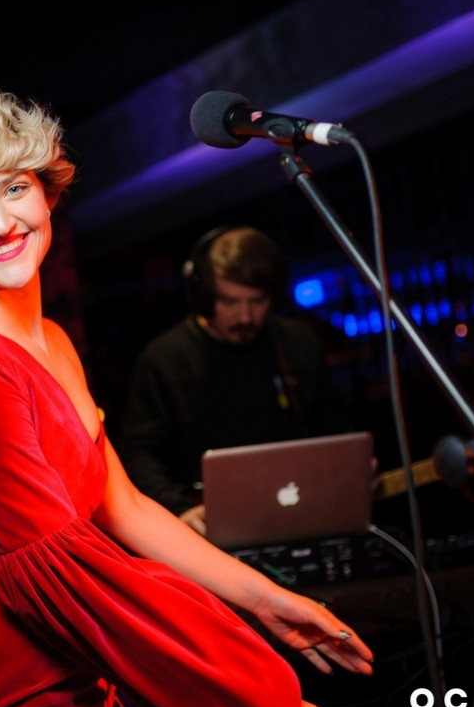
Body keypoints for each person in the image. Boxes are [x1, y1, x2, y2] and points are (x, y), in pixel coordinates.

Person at [0, 84, 373, 707]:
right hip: (11, 701)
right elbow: (64, 570)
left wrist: (270, 600)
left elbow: (126, 508)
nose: (0, 222)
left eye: (14, 188)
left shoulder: (51, 341)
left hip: (89, 674)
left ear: (47, 192)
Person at [115, 225, 352, 536]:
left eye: (257, 301)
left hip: (298, 514)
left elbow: (331, 427)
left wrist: (349, 467)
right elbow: (138, 454)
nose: (245, 317)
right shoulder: (165, 359)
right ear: (203, 297)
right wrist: (179, 509)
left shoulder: (298, 344)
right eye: (229, 302)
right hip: (206, 529)